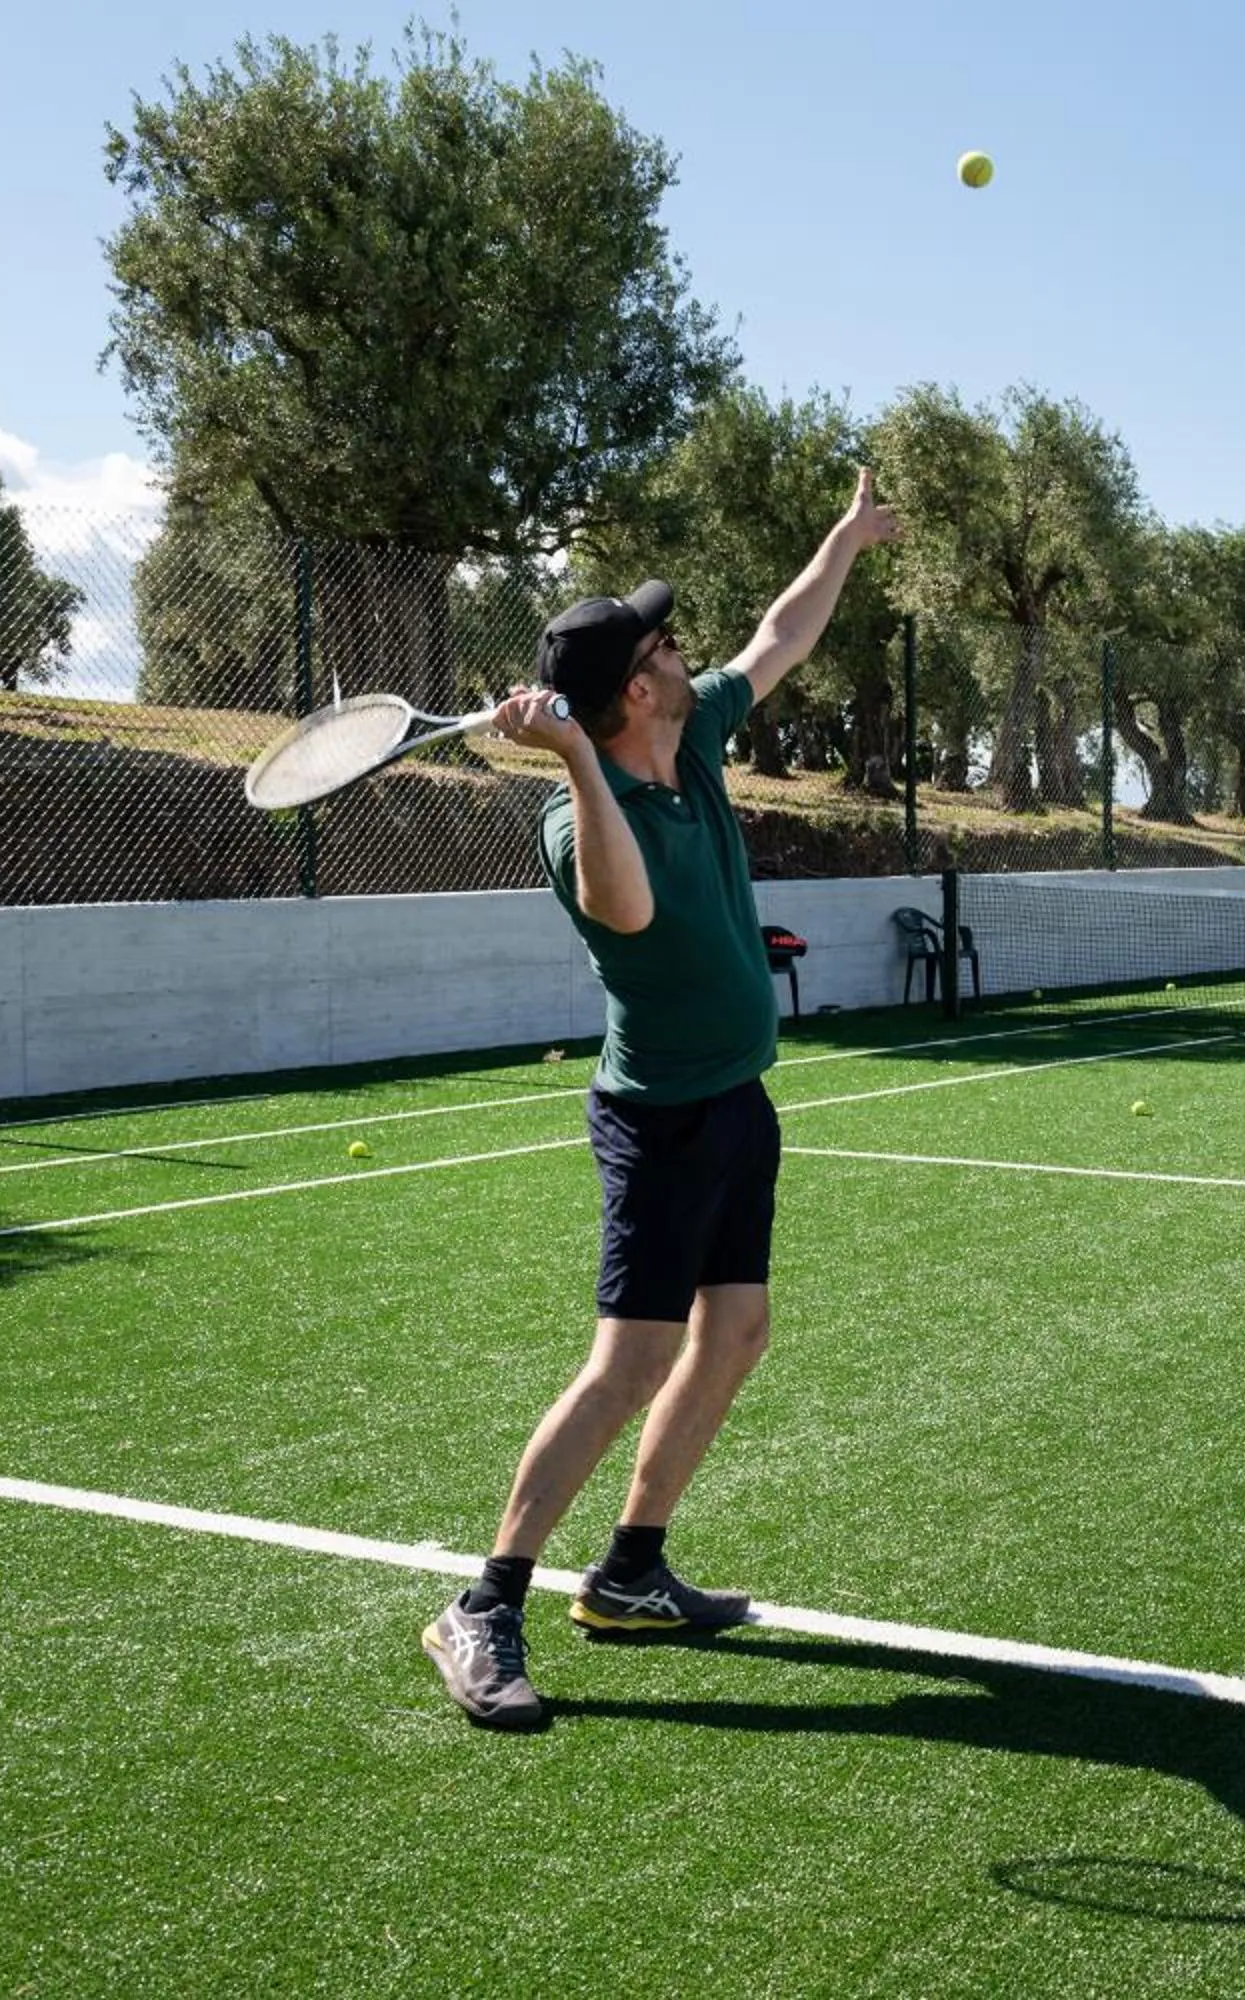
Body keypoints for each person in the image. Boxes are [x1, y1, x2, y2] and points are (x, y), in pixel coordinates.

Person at [421, 471, 901, 1729]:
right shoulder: (580, 813)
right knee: (629, 1358)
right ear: (636, 688)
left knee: (733, 1331)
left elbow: (781, 634)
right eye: (665, 645)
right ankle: (485, 1602)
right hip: (660, 1121)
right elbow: (623, 906)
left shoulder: (696, 736)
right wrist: (577, 759)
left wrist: (841, 541)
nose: (691, 653)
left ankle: (630, 1570)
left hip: (740, 1101)